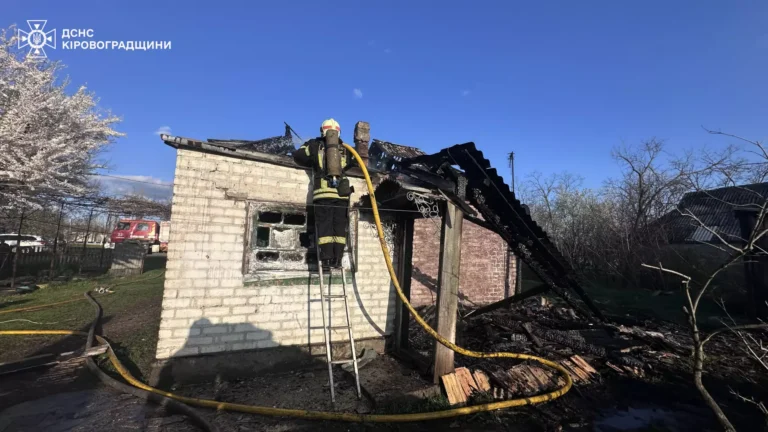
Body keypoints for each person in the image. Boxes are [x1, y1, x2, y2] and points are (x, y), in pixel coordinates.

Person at [293, 118, 356, 269]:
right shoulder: (345, 149)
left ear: (322, 131)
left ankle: (326, 260)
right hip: (340, 195)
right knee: (339, 227)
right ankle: (337, 259)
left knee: (325, 226)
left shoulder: (314, 145)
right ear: (338, 132)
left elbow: (299, 156)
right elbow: (353, 162)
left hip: (322, 194)